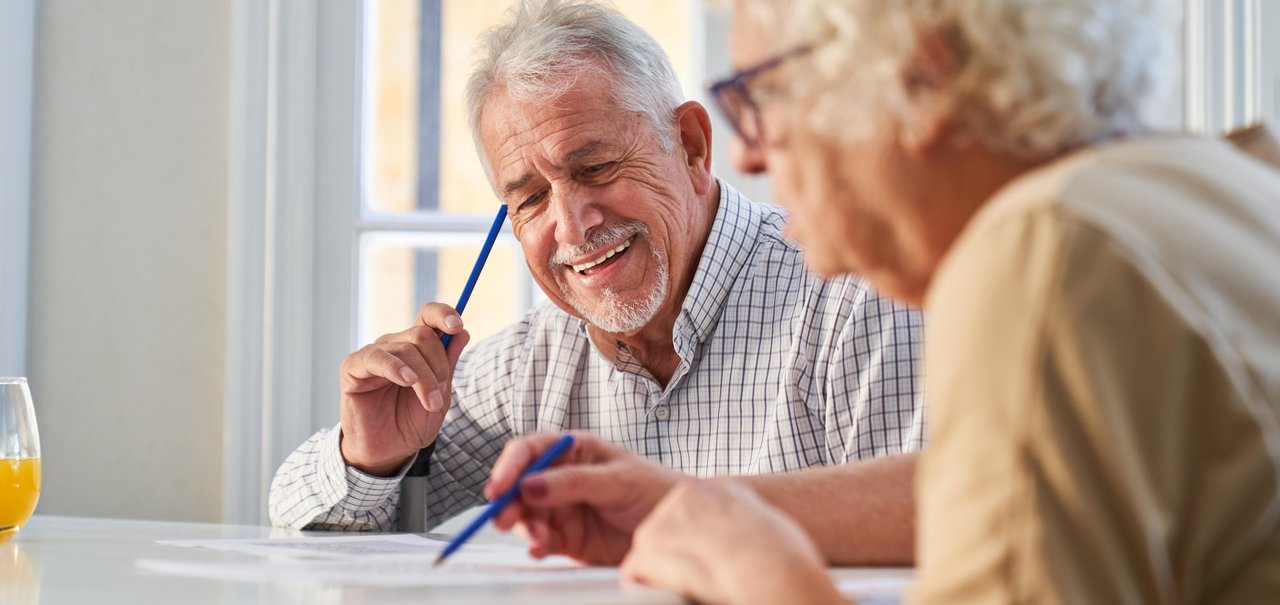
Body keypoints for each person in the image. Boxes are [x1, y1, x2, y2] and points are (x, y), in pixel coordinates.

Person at [493, 0, 1280, 602]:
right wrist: (689, 500)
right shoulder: (1218, 184)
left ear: (921, 78)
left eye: (758, 96)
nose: (748, 152)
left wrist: (768, 580)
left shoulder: (1040, 250)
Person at [267, 0, 924, 562]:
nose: (573, 224)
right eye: (528, 199)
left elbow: (946, 541)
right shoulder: (530, 362)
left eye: (598, 168)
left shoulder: (856, 300)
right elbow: (299, 524)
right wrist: (370, 456)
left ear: (692, 146)